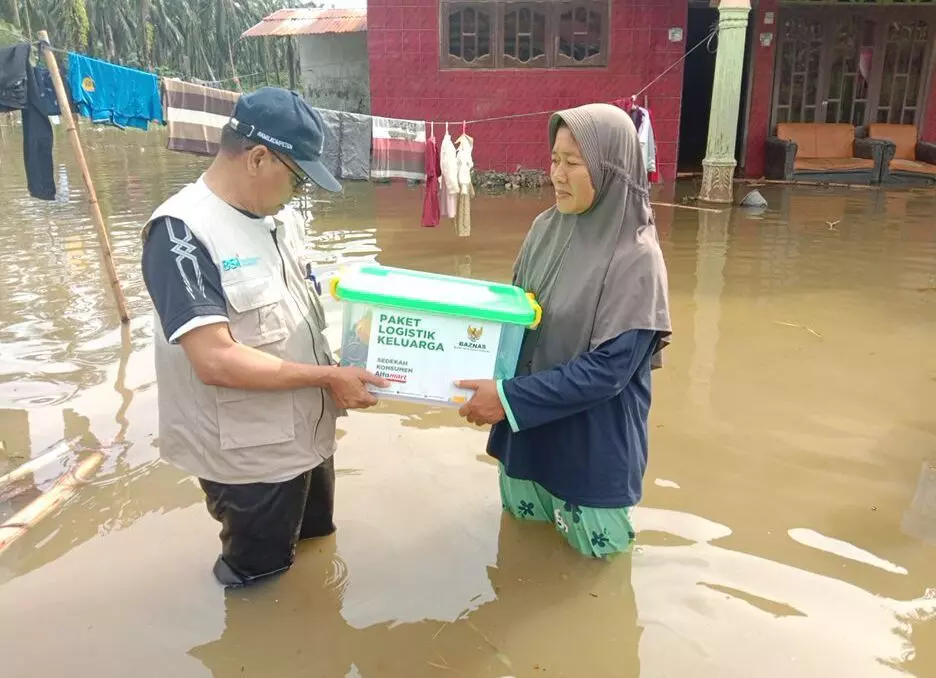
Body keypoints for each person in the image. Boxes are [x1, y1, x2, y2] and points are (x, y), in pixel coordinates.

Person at [141, 87, 388, 587]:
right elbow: (215, 360)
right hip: (249, 457)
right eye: (296, 179)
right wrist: (328, 376)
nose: (298, 193)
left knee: (317, 545)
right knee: (258, 581)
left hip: (308, 434)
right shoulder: (181, 233)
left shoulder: (281, 221)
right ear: (258, 158)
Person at [456, 103, 672, 558]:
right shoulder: (543, 229)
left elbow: (608, 372)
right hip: (526, 442)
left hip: (589, 459)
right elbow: (513, 320)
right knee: (518, 565)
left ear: (609, 167)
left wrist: (508, 399)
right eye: (554, 159)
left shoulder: (637, 258)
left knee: (597, 586)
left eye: (573, 163)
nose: (557, 174)